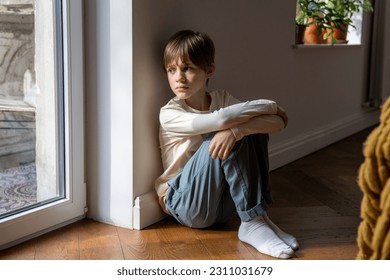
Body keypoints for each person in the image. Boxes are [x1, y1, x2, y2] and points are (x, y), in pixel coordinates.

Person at [155, 30, 298, 259]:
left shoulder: (221, 99)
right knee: (224, 132)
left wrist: (238, 130)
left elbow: (277, 123)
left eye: (188, 68)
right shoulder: (170, 113)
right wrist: (269, 106)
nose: (178, 77)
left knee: (248, 131)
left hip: (221, 205)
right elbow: (221, 120)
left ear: (209, 70)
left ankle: (257, 218)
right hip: (184, 203)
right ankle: (253, 223)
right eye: (171, 70)